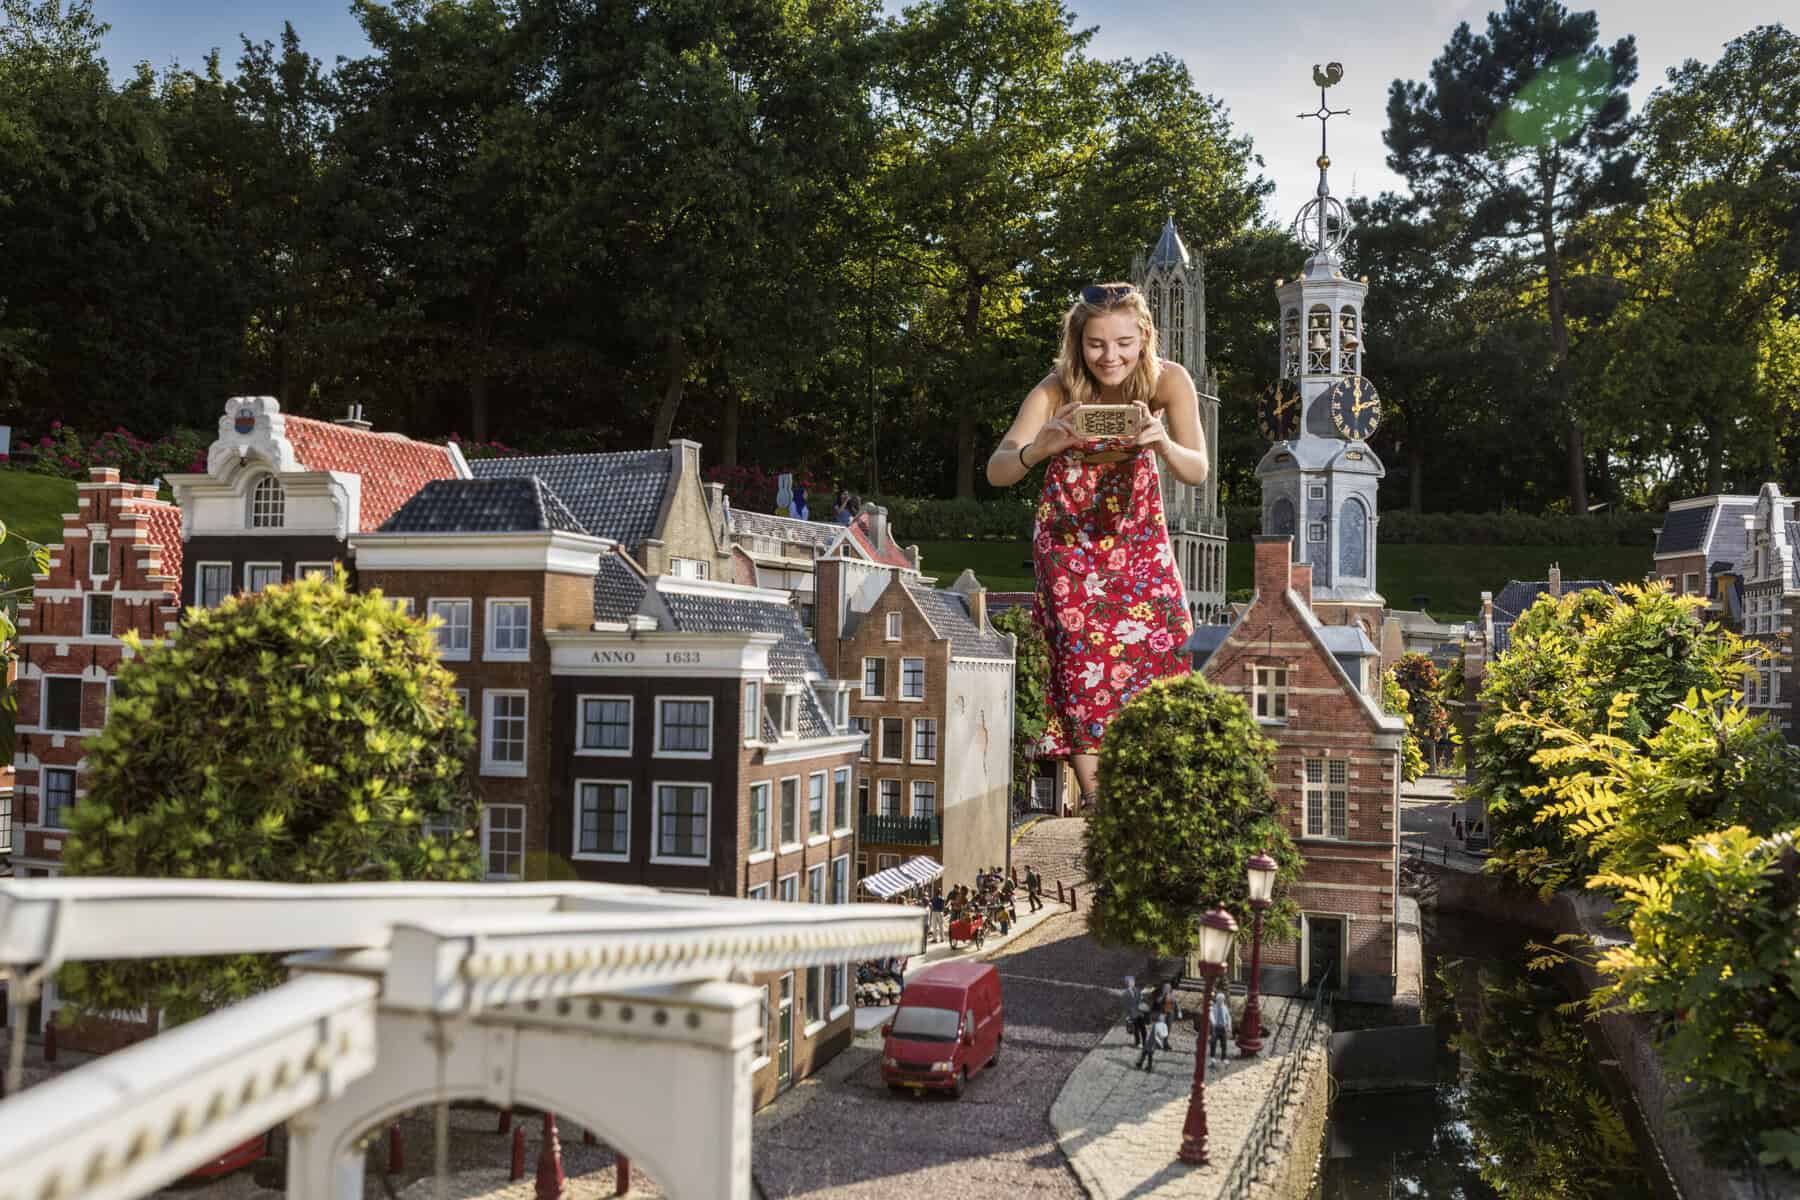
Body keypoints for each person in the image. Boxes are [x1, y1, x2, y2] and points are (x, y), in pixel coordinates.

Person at [985, 282, 1209, 811]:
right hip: (1069, 544)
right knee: (1081, 663)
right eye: (1096, 344)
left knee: (1170, 637)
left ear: (1145, 336)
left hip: (1137, 536)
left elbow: (1196, 470)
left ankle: (1158, 776)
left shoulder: (1170, 381)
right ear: (1077, 342)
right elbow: (997, 470)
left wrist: (1162, 442)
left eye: (1123, 343)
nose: (1111, 356)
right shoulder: (1057, 388)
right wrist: (1038, 450)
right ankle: (1098, 801)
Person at [1136, 1007, 1166, 1072]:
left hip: (1150, 1042)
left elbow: (1154, 1036)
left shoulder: (1156, 1026)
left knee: (1147, 1054)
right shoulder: (1163, 1025)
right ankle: (1142, 1064)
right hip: (1153, 1043)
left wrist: (1159, 1043)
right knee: (1147, 1054)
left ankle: (1146, 1066)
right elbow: (1164, 1034)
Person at [1210, 989, 1232, 1063]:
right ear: (1217, 999)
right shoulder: (1213, 1007)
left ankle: (1224, 1058)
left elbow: (1228, 1017)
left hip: (1223, 1027)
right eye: (1219, 999)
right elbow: (1211, 1014)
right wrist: (1213, 1022)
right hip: (1216, 1027)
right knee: (1213, 1042)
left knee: (1224, 1044)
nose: (1221, 1001)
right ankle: (1212, 1056)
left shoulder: (1225, 1007)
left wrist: (1229, 1026)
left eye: (1222, 999)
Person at [1121, 975, 1140, 1046]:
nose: (1133, 983)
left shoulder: (1137, 990)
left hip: (1138, 1012)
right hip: (1132, 1013)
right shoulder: (1125, 994)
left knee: (1138, 1028)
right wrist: (1127, 1015)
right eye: (1130, 982)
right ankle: (1137, 1042)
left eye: (1133, 981)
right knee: (1135, 1028)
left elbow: (1139, 999)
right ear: (1127, 983)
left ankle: (1138, 1041)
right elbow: (1125, 1005)